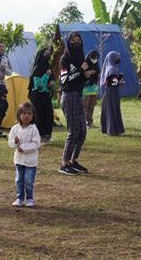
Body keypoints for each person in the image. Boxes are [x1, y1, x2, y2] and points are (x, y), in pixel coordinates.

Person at [58, 32, 91, 175]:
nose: (76, 43)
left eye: (79, 40)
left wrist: (86, 75)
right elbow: (65, 80)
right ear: (68, 42)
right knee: (73, 131)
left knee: (82, 131)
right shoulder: (65, 59)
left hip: (78, 95)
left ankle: (73, 160)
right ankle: (64, 164)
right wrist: (81, 70)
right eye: (73, 40)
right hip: (68, 96)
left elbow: (78, 79)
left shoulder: (80, 58)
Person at [8, 101, 40, 207]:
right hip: (19, 160)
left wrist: (24, 148)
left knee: (29, 181)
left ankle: (30, 198)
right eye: (24, 113)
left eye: (29, 114)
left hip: (31, 160)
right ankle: (20, 198)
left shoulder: (33, 129)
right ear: (19, 115)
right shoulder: (15, 129)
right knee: (19, 179)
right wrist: (16, 142)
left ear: (33, 115)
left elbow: (36, 144)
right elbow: (11, 143)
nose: (27, 116)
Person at [28, 48, 54, 143]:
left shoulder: (48, 66)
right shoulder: (37, 68)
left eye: (48, 53)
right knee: (38, 116)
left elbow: (52, 82)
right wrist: (47, 76)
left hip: (46, 95)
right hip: (37, 96)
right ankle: (37, 136)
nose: (48, 55)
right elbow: (38, 85)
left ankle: (46, 135)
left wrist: (51, 83)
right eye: (45, 53)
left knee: (48, 115)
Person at [100, 51, 125, 136]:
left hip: (108, 91)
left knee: (109, 109)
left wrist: (119, 79)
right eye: (117, 58)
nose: (118, 60)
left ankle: (108, 129)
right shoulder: (113, 69)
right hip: (112, 92)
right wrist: (120, 78)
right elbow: (114, 83)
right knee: (113, 109)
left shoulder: (109, 68)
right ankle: (113, 130)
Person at [83, 50, 101, 128]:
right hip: (86, 87)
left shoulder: (96, 64)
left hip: (94, 86)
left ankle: (90, 121)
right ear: (90, 57)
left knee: (92, 105)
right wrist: (89, 72)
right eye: (94, 58)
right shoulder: (85, 63)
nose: (95, 60)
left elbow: (99, 73)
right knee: (85, 105)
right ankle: (84, 122)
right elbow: (82, 73)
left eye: (97, 58)